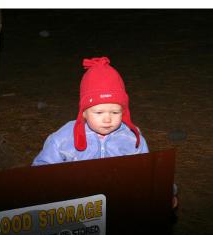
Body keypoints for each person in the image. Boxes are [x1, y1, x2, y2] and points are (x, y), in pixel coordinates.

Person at [32, 56, 178, 209]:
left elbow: (147, 173)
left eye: (115, 112)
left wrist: (165, 192)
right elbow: (41, 169)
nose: (107, 119)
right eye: (99, 112)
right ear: (84, 113)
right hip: (76, 207)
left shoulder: (131, 138)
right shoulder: (64, 138)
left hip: (118, 204)